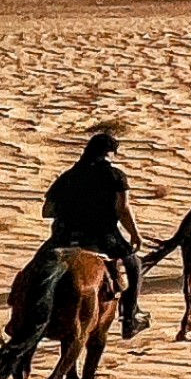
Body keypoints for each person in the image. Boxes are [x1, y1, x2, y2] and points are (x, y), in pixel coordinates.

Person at [43, 126, 146, 338]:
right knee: (134, 263)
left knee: (39, 265)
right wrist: (135, 234)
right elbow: (123, 209)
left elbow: (47, 210)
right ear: (109, 153)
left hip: (64, 235)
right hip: (101, 236)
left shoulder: (69, 175)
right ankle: (129, 318)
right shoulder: (114, 175)